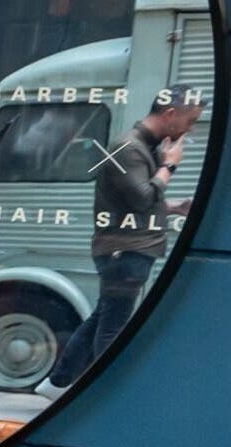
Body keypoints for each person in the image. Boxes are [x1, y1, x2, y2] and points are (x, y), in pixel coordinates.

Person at [50, 90, 201, 385]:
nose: (190, 129)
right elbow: (143, 198)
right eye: (190, 120)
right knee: (113, 328)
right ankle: (101, 391)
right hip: (125, 252)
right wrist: (169, 165)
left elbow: (131, 201)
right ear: (171, 113)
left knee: (103, 319)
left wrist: (173, 208)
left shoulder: (143, 146)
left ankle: (59, 382)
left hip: (128, 251)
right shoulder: (129, 148)